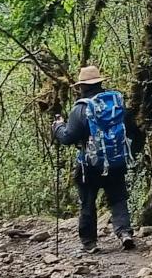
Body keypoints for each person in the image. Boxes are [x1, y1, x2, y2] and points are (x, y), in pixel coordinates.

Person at [51, 65, 139, 254]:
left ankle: (90, 243)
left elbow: (68, 137)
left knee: (88, 201)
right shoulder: (116, 103)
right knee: (118, 198)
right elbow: (132, 130)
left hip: (89, 165)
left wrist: (57, 127)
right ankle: (125, 233)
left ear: (82, 86)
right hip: (115, 160)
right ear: (100, 82)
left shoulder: (81, 108)